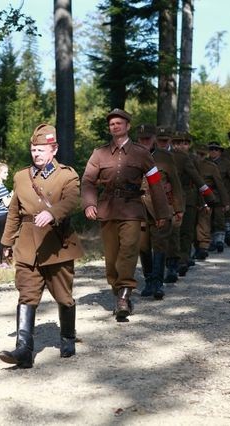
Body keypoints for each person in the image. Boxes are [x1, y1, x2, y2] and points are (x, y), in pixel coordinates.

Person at [0, 124, 84, 369]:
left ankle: (67, 336)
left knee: (64, 297)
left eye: (41, 149)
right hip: (26, 245)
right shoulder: (21, 177)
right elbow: (14, 211)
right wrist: (6, 241)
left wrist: (53, 213)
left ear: (54, 149)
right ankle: (24, 350)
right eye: (33, 149)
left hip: (57, 244)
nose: (36, 154)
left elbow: (71, 201)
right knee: (27, 294)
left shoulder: (68, 175)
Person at [81, 109, 170, 321]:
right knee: (111, 260)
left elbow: (156, 184)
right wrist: (89, 204)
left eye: (119, 123)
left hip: (132, 209)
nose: (115, 127)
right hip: (108, 209)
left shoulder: (141, 153)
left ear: (128, 126)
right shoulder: (99, 154)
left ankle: (124, 295)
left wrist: (161, 213)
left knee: (129, 252)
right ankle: (119, 291)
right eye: (112, 124)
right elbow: (87, 181)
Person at [136, 124, 183, 300]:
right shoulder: (131, 155)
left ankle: (157, 282)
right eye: (141, 139)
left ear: (154, 138)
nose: (144, 142)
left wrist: (178, 209)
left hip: (160, 207)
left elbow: (175, 183)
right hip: (139, 208)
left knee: (160, 244)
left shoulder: (164, 157)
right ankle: (148, 278)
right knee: (143, 245)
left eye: (147, 138)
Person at [170, 131, 216, 275]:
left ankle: (183, 259)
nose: (181, 146)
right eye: (177, 143)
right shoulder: (167, 157)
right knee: (173, 230)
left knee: (187, 230)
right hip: (171, 197)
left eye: (184, 143)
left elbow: (198, 181)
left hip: (189, 197)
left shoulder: (194, 159)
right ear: (173, 144)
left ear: (188, 145)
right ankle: (174, 259)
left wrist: (203, 202)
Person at [193, 144, 229, 260]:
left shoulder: (211, 167)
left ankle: (203, 248)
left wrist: (225, 202)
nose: (200, 157)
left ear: (206, 155)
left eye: (202, 154)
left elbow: (220, 185)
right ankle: (196, 248)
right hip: (191, 197)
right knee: (191, 224)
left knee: (204, 223)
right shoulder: (189, 164)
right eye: (198, 154)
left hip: (206, 197)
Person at [208, 141, 230, 252]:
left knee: (220, 218)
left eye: (216, 149)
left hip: (222, 195)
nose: (213, 151)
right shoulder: (204, 163)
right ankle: (211, 241)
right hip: (207, 195)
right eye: (211, 149)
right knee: (208, 219)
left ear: (220, 152)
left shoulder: (226, 163)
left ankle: (220, 240)